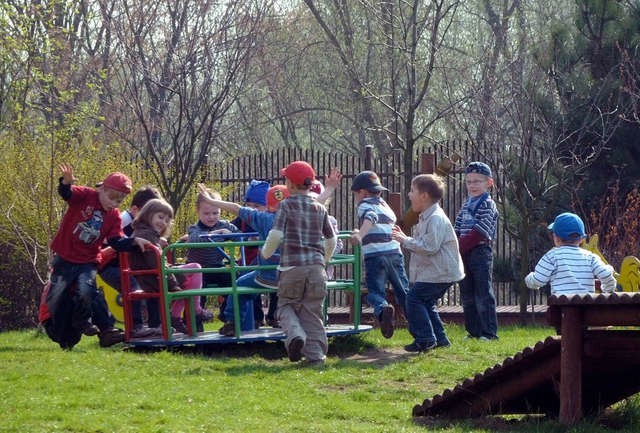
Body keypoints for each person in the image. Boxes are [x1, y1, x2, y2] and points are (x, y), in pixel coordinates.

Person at [46, 163, 150, 349]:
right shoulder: (85, 195)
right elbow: (66, 194)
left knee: (86, 291)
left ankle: (83, 322)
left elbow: (116, 241)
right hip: (65, 257)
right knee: (56, 297)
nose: (113, 203)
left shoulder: (114, 216)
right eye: (110, 197)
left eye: (118, 201)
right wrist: (65, 182)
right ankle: (64, 334)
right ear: (101, 188)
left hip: (88, 261)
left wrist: (135, 242)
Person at [262, 160, 337, 364]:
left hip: (291, 267)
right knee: (312, 312)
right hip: (316, 269)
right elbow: (331, 239)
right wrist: (325, 259)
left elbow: (276, 233)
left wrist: (266, 253)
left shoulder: (286, 205)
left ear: (291, 185)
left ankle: (296, 336)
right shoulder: (320, 208)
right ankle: (316, 357)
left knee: (285, 306)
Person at [196, 183, 290, 335]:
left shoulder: (263, 218)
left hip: (266, 275)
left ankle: (233, 322)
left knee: (239, 287)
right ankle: (296, 323)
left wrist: (212, 201)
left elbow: (234, 207)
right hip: (291, 275)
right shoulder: (298, 220)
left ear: (268, 206)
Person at [392, 174, 465, 352]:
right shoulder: (426, 216)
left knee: (414, 299)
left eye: (412, 191)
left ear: (424, 196)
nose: (409, 195)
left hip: (441, 272)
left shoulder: (435, 218)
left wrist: (404, 240)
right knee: (425, 302)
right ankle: (440, 340)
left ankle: (425, 339)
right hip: (437, 272)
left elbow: (430, 247)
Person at [128, 198, 203, 334]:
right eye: (160, 217)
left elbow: (159, 263)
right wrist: (173, 284)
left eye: (167, 220)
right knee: (195, 268)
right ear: (147, 214)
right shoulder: (146, 235)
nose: (163, 222)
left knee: (193, 270)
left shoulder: (146, 233)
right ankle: (193, 311)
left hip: (153, 276)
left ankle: (180, 315)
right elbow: (157, 264)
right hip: (154, 278)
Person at [349, 170, 409, 339]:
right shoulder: (384, 204)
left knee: (374, 291)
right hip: (394, 253)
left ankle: (383, 309)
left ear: (363, 192)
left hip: (375, 255)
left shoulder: (364, 205)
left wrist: (359, 235)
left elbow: (371, 218)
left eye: (356, 194)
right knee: (403, 291)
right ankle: (417, 323)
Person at [98, 185, 162, 338]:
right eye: (149, 214)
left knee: (153, 282)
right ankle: (136, 327)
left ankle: (156, 325)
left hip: (129, 266)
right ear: (135, 210)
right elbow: (109, 242)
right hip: (109, 266)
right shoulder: (122, 220)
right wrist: (131, 242)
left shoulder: (144, 225)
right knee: (133, 285)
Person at [454, 161, 499, 341]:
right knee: (467, 294)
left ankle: (488, 332)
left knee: (483, 293)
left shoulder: (488, 204)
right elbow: (457, 226)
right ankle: (473, 331)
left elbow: (481, 231)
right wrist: (454, 243)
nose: (472, 185)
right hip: (463, 252)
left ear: (489, 183)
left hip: (480, 252)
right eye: (469, 182)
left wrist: (460, 246)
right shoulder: (466, 204)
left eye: (477, 181)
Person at [182, 187, 240, 323]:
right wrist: (216, 233)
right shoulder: (194, 228)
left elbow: (240, 238)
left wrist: (231, 235)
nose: (211, 217)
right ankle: (194, 322)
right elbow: (195, 239)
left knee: (234, 278)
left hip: (217, 267)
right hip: (199, 271)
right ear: (198, 212)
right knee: (197, 294)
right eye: (206, 213)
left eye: (215, 213)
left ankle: (227, 313)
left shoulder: (225, 225)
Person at [525, 212, 616, 295]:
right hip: (586, 307)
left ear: (556, 237)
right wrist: (608, 290)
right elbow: (606, 274)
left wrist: (529, 279)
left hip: (561, 308)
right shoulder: (590, 257)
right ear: (582, 239)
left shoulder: (552, 256)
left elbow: (538, 280)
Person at [229, 179, 274, 328]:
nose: (252, 209)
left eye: (257, 206)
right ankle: (256, 318)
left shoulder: (267, 220)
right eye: (249, 205)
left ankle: (274, 316)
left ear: (267, 207)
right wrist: (221, 230)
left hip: (265, 261)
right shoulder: (243, 219)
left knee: (275, 290)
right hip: (247, 260)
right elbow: (229, 228)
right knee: (248, 288)